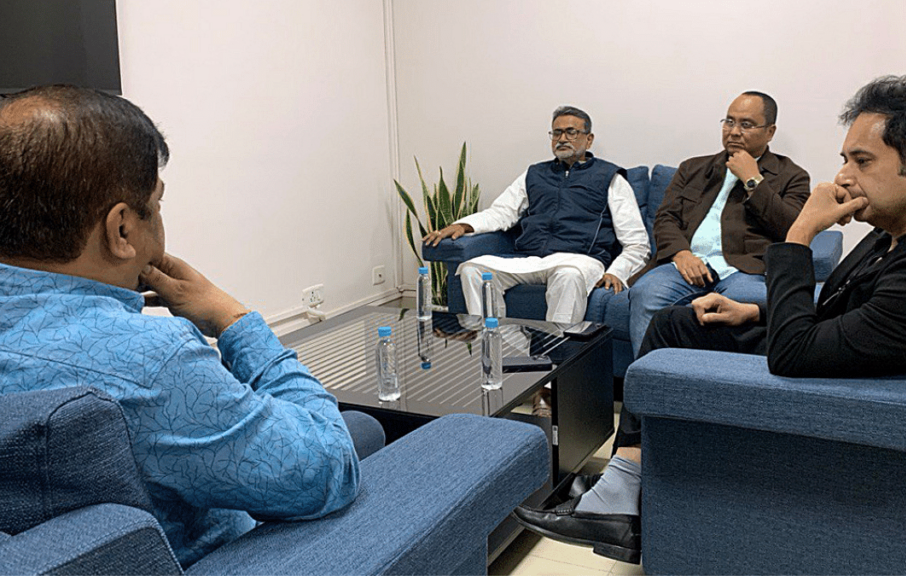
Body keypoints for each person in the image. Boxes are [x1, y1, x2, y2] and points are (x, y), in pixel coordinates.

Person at [513, 75, 906, 564]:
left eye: (862, 161)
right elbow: (846, 304)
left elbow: (796, 353)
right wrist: (753, 309)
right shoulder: (904, 233)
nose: (842, 178)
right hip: (830, 343)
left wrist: (799, 236)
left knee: (675, 336)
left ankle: (622, 487)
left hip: (830, 386)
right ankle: (626, 480)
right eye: (845, 160)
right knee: (674, 321)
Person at [0, 85, 384, 568]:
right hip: (220, 557)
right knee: (348, 443)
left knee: (364, 426)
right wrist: (233, 319)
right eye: (156, 203)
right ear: (121, 230)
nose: (160, 217)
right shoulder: (151, 362)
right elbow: (330, 470)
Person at [424, 105, 650, 326]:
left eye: (571, 132)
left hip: (579, 260)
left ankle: (560, 352)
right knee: (473, 270)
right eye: (557, 132)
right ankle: (501, 349)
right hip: (529, 258)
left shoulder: (610, 177)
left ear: (588, 139)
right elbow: (503, 212)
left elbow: (636, 243)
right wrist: (464, 225)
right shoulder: (534, 173)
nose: (562, 138)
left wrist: (617, 272)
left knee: (568, 276)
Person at [626, 91, 809, 357]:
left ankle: (716, 389)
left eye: (746, 124)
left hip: (744, 270)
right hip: (684, 267)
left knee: (752, 305)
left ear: (770, 132)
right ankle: (647, 387)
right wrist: (681, 253)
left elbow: (791, 229)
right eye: (729, 122)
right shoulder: (693, 168)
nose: (734, 132)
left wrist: (752, 180)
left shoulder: (792, 176)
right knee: (646, 294)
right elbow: (665, 218)